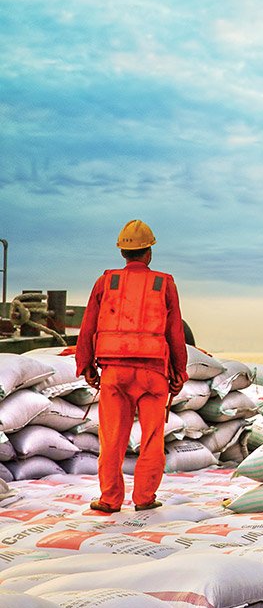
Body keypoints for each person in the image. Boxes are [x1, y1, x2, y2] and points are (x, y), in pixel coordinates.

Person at [76, 220, 188, 514]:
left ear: (123, 253)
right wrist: (180, 372)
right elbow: (175, 332)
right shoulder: (163, 283)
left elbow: (87, 326)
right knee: (152, 439)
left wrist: (85, 364)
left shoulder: (106, 282)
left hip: (115, 372)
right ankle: (144, 498)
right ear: (149, 252)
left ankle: (110, 500)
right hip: (153, 374)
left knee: (112, 438)